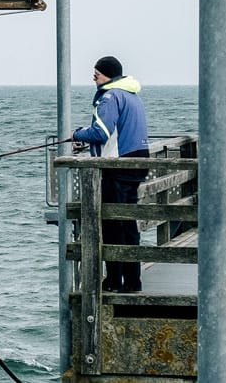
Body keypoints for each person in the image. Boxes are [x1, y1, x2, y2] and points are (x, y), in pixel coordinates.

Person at [71, 55, 149, 293]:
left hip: (117, 167)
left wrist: (77, 134)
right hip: (138, 161)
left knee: (112, 224)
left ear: (107, 75)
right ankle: (133, 281)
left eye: (96, 75)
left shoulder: (110, 96)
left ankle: (114, 281)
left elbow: (101, 132)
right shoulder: (133, 96)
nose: (94, 79)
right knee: (128, 224)